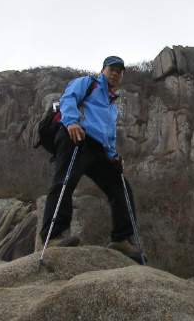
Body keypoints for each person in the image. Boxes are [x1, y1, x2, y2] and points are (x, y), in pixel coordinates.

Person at [40, 56, 146, 263]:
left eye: (119, 71)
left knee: (120, 187)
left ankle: (121, 240)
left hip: (98, 148)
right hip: (75, 137)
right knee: (64, 182)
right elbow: (68, 98)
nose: (115, 73)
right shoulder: (87, 83)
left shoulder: (111, 103)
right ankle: (52, 236)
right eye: (112, 69)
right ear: (103, 70)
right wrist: (70, 122)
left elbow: (109, 133)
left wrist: (112, 156)